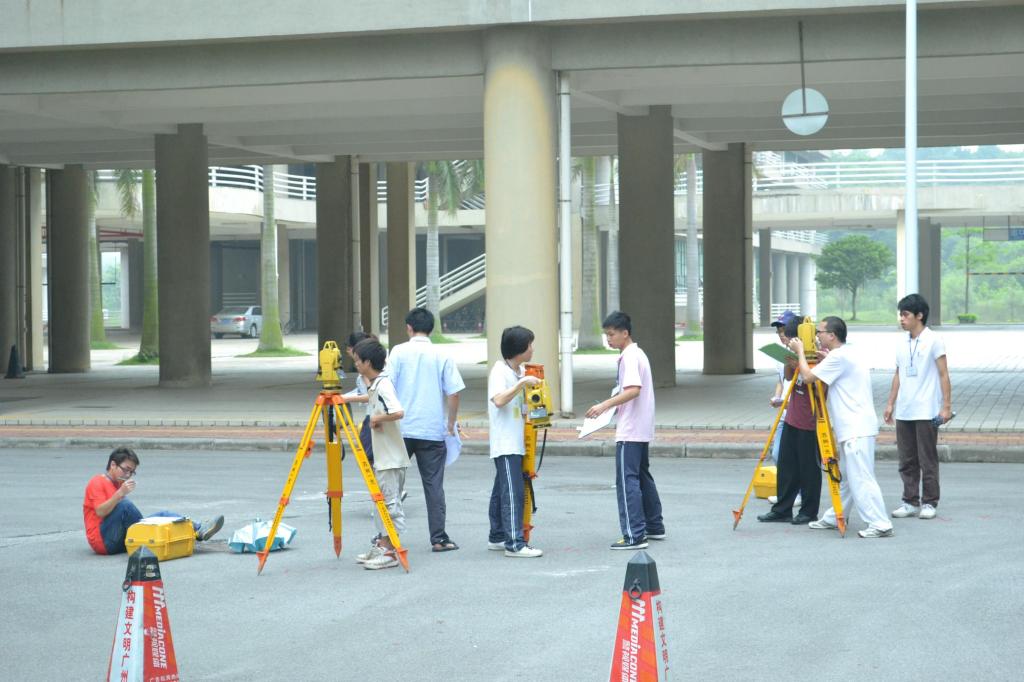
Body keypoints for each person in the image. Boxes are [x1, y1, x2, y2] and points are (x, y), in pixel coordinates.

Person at [789, 317, 894, 538]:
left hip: (856, 427)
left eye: (819, 332)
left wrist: (799, 352)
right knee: (847, 477)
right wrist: (824, 358)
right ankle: (835, 515)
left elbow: (807, 377)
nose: (817, 336)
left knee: (861, 477)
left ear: (832, 335)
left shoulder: (838, 357)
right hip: (855, 426)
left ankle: (879, 523)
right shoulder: (847, 353)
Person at [385, 307, 465, 552]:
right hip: (431, 429)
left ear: (409, 328)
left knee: (392, 483)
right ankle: (439, 538)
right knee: (433, 485)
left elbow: (386, 386)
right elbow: (453, 393)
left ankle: (387, 536)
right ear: (431, 328)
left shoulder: (398, 352)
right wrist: (450, 423)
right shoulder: (442, 354)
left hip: (401, 428)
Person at [586, 311, 665, 550]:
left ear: (625, 333)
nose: (608, 339)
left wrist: (604, 406)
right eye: (606, 335)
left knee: (626, 480)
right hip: (641, 426)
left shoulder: (630, 356)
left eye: (611, 334)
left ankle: (634, 535)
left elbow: (632, 390)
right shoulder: (637, 354)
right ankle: (654, 525)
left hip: (630, 428)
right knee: (642, 476)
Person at [883, 294, 952, 521]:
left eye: (905, 315)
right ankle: (910, 501)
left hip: (927, 409)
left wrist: (946, 407)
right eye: (900, 315)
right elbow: (898, 374)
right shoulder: (901, 342)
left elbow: (943, 374)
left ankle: (930, 502)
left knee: (927, 458)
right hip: (905, 409)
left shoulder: (934, 340)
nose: (901, 319)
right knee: (906, 459)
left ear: (919, 316)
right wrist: (890, 403)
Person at [82, 447, 224, 555]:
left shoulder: (117, 484)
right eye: (126, 470)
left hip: (118, 538)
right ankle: (147, 533)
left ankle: (198, 530)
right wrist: (120, 494)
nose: (128, 475)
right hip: (103, 542)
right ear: (113, 465)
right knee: (125, 505)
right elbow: (100, 512)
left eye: (131, 472)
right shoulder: (97, 482)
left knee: (162, 515)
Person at [486, 326, 544, 558]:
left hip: (516, 441)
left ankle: (498, 536)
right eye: (530, 345)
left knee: (502, 490)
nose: (532, 349)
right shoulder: (500, 372)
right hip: (506, 443)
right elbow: (499, 400)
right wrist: (521, 384)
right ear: (519, 349)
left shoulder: (517, 371)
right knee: (513, 493)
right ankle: (515, 543)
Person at [351, 338, 408, 570]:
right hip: (385, 457)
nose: (355, 364)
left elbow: (398, 411)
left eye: (357, 360)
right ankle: (383, 545)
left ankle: (390, 551)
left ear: (367, 362)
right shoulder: (375, 385)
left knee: (389, 504)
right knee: (381, 503)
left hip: (390, 459)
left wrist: (376, 418)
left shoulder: (383, 385)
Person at [758, 317, 821, 525]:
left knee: (809, 469)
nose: (788, 340)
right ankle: (782, 509)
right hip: (792, 417)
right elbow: (787, 378)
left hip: (810, 420)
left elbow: (815, 384)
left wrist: (801, 356)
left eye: (792, 337)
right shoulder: (796, 356)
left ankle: (809, 511)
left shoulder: (819, 357)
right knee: (786, 466)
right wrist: (790, 359)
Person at [344, 330, 375, 465]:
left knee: (368, 459)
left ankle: (373, 479)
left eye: (349, 348)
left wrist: (346, 399)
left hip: (373, 417)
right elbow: (361, 391)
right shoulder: (369, 363)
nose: (347, 351)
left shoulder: (366, 369)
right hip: (374, 416)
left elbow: (371, 395)